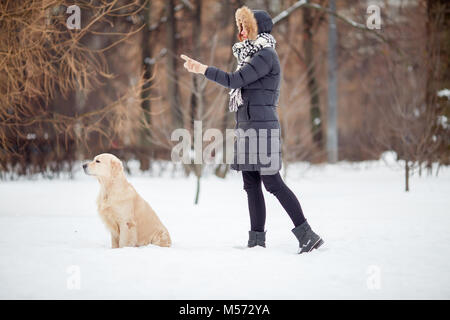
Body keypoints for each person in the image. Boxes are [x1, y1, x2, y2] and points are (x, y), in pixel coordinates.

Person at [181, 6, 323, 254]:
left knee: (273, 183)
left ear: (257, 29)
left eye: (245, 26)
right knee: (251, 184)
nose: (241, 31)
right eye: (240, 26)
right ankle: (256, 241)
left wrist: (202, 69)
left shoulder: (266, 55)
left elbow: (234, 81)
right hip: (247, 128)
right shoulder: (249, 57)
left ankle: (307, 235)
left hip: (263, 129)